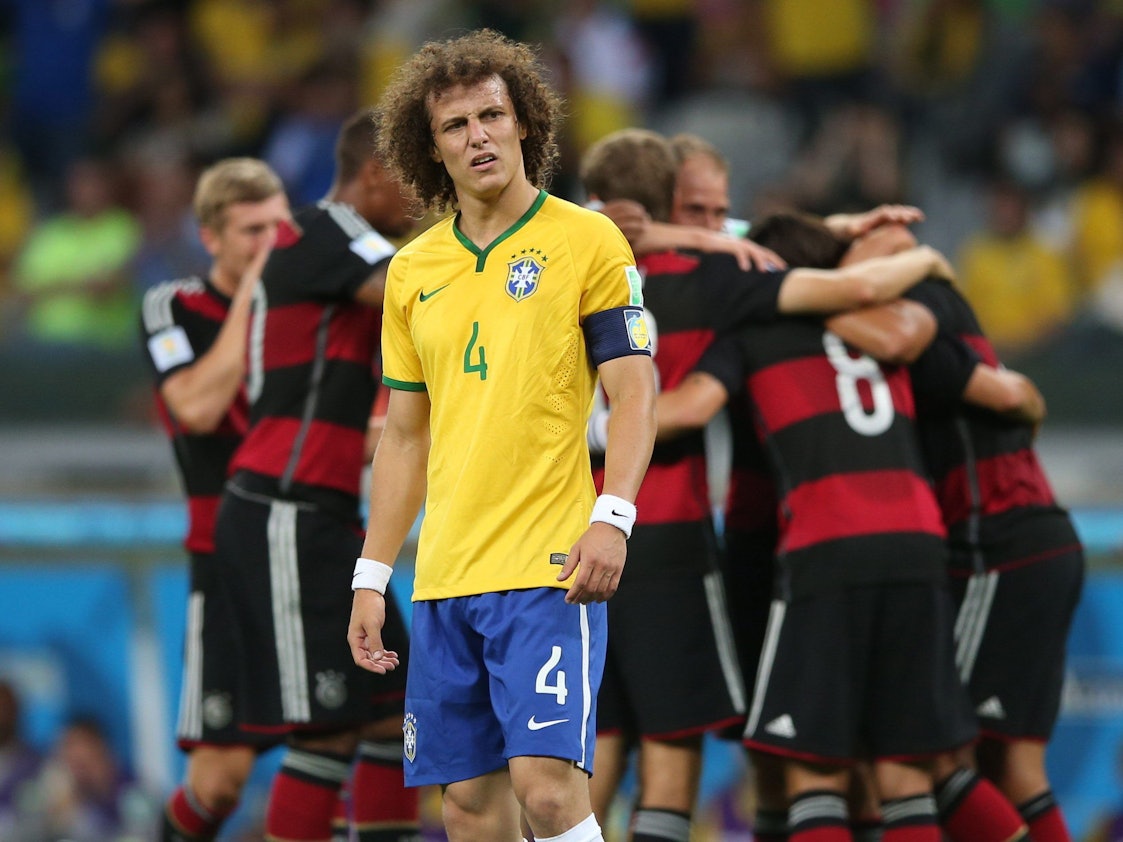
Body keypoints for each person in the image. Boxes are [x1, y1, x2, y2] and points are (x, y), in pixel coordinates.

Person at [347, 29, 657, 842]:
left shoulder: (587, 241)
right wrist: (372, 574)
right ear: (431, 149)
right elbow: (404, 439)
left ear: (526, 125)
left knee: (548, 792)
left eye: (492, 115)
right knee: (469, 808)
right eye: (455, 125)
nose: (477, 135)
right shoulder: (413, 273)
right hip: (446, 575)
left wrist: (612, 516)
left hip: (550, 566)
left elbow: (634, 393)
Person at [654, 211, 976, 841]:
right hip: (919, 543)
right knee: (906, 772)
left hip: (827, 551)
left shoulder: (754, 327)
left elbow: (693, 404)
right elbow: (1000, 391)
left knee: (812, 773)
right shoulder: (891, 326)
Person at [214, 109, 419, 841]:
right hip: (282, 511)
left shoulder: (332, 245)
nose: (421, 195)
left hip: (321, 516)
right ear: (372, 173)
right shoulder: (325, 231)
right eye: (411, 178)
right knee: (325, 730)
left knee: (394, 709)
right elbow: (417, 290)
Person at [847, 222, 1084, 842]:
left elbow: (914, 345)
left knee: (934, 754)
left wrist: (778, 297)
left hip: (998, 548)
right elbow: (1017, 399)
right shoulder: (945, 308)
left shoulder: (923, 302)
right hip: (1038, 540)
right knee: (1014, 767)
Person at [139, 156, 289, 842]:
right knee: (221, 779)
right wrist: (256, 298)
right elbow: (196, 406)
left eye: (280, 226)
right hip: (223, 559)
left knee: (361, 725)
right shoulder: (172, 305)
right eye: (252, 230)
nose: (271, 242)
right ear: (211, 238)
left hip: (313, 543)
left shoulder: (311, 306)